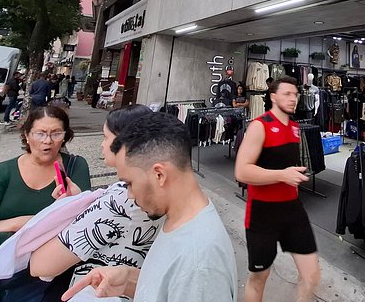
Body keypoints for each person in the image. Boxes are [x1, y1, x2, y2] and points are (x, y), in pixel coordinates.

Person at [61, 112, 236, 302]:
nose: (130, 194)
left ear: (159, 174)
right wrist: (128, 279)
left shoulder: (199, 264)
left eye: (129, 183)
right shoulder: (181, 223)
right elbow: (169, 287)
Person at [0, 105, 91, 301]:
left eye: (56, 133)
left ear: (65, 136)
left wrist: (9, 225)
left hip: (56, 284)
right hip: (2, 286)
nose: (48, 141)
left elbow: (80, 232)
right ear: (26, 135)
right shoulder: (1, 174)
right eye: (40, 133)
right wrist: (48, 225)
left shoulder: (75, 167)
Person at [29, 105, 161, 289]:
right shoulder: (161, 187)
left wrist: (65, 213)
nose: (102, 144)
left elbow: (41, 266)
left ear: (127, 144)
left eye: (106, 137)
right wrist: (80, 201)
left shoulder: (122, 200)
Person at [235, 77, 320, 302]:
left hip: (292, 210)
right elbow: (242, 172)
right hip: (262, 214)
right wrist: (283, 175)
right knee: (259, 278)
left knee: (311, 276)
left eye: (295, 94)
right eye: (287, 94)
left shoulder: (294, 127)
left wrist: (293, 175)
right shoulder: (259, 126)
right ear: (273, 97)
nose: (293, 99)